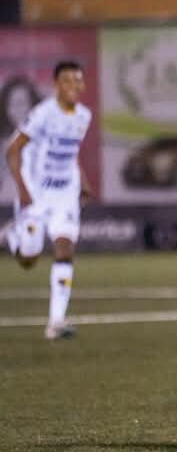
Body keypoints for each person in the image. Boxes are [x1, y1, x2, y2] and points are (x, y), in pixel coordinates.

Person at [4, 61, 94, 340]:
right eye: (67, 80)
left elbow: (70, 153)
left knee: (64, 247)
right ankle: (13, 236)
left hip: (65, 193)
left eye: (77, 80)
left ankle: (56, 321)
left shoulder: (83, 116)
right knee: (28, 259)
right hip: (36, 192)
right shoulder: (43, 113)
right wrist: (22, 190)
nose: (73, 86)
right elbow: (12, 150)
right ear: (56, 85)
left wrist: (83, 182)